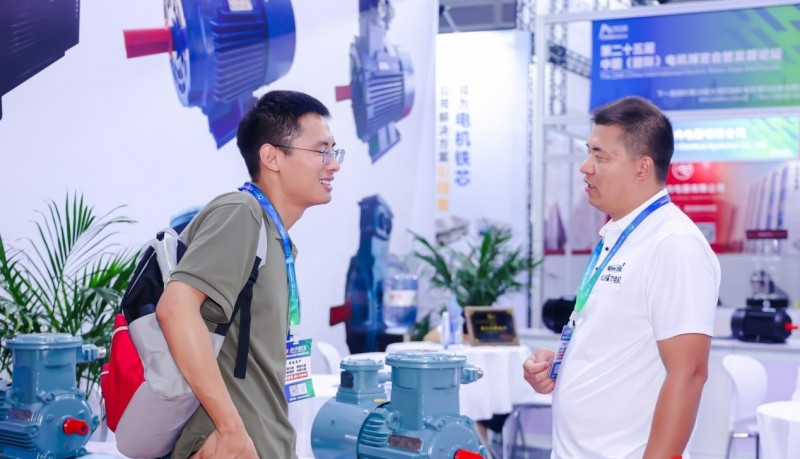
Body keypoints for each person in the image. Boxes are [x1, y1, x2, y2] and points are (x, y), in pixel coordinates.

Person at [523, 96, 720, 459]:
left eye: (600, 156)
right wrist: (562, 363)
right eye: (589, 153)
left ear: (642, 167)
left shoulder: (673, 244)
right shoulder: (619, 236)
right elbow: (617, 339)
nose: (585, 167)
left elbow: (690, 373)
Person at [156, 90, 343, 459]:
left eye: (335, 152)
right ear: (272, 157)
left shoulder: (275, 239)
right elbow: (175, 310)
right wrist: (230, 429)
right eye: (321, 151)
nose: (333, 165)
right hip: (230, 446)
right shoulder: (241, 212)